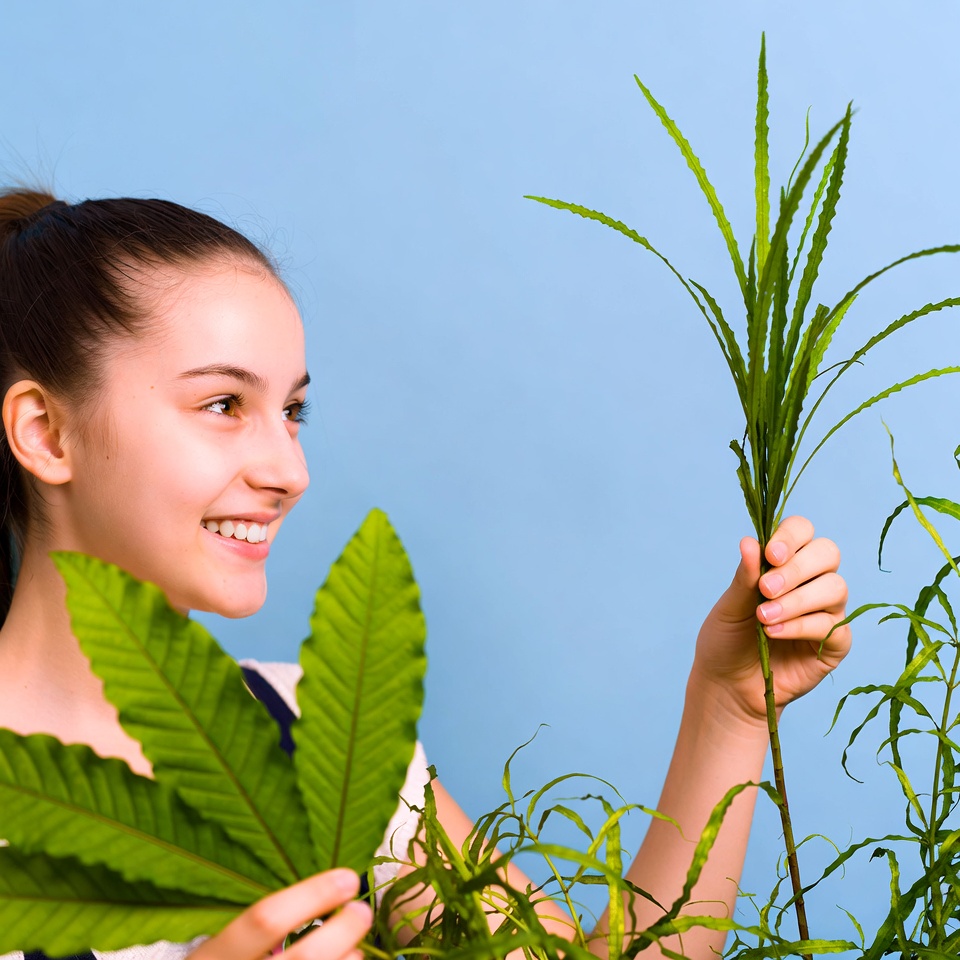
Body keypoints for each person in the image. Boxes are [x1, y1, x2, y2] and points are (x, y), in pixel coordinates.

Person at [0, 190, 850, 960]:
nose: (289, 470)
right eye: (223, 405)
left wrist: (729, 709)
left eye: (293, 411)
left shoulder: (316, 735)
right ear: (45, 433)